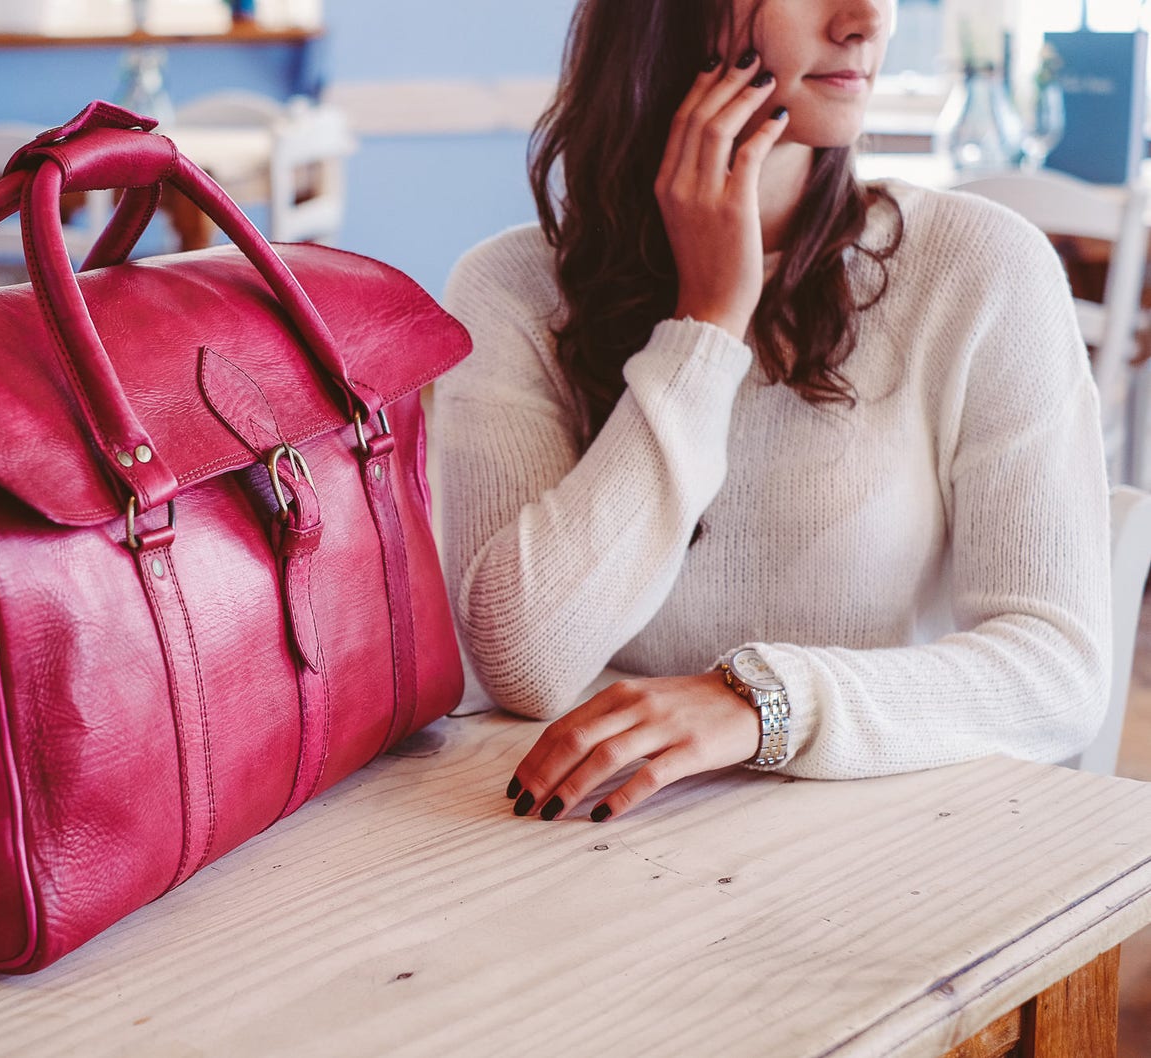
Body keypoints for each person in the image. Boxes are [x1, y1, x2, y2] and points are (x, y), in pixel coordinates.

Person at [435, 0, 1111, 823]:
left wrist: (761, 703)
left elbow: (1056, 670)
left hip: (876, 843)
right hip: (589, 841)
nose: (865, 20)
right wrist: (706, 327)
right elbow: (526, 661)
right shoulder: (511, 290)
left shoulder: (982, 266)